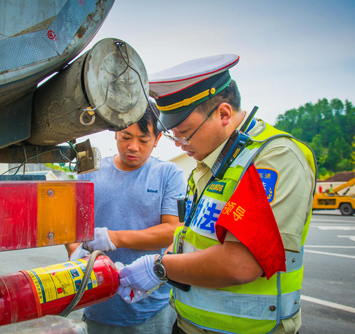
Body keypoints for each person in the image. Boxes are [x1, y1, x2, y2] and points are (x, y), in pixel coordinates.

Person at [118, 54, 316, 334]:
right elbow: (191, 236)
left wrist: (159, 267)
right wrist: (153, 273)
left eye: (185, 132)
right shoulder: (210, 161)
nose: (179, 143)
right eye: (173, 134)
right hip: (190, 325)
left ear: (224, 114)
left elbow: (240, 264)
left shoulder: (271, 158)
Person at [66, 103, 186, 333]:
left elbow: (172, 230)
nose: (133, 147)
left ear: (157, 138)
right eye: (126, 136)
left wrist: (114, 238)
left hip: (151, 308)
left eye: (143, 140)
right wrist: (76, 256)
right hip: (97, 303)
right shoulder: (90, 171)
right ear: (115, 132)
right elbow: (72, 226)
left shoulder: (168, 174)